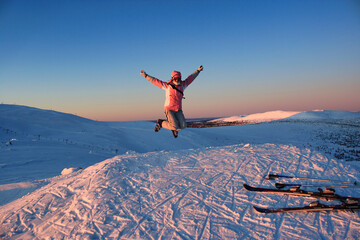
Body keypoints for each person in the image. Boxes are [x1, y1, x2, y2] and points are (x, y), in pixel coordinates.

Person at [140, 65, 203, 138]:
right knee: (174, 126)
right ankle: (161, 123)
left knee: (183, 126)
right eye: (176, 78)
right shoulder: (167, 86)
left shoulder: (183, 85)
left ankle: (173, 129)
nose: (177, 80)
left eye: (179, 78)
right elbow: (155, 81)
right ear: (172, 78)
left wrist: (198, 71)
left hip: (178, 109)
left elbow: (191, 78)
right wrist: (146, 76)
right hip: (169, 109)